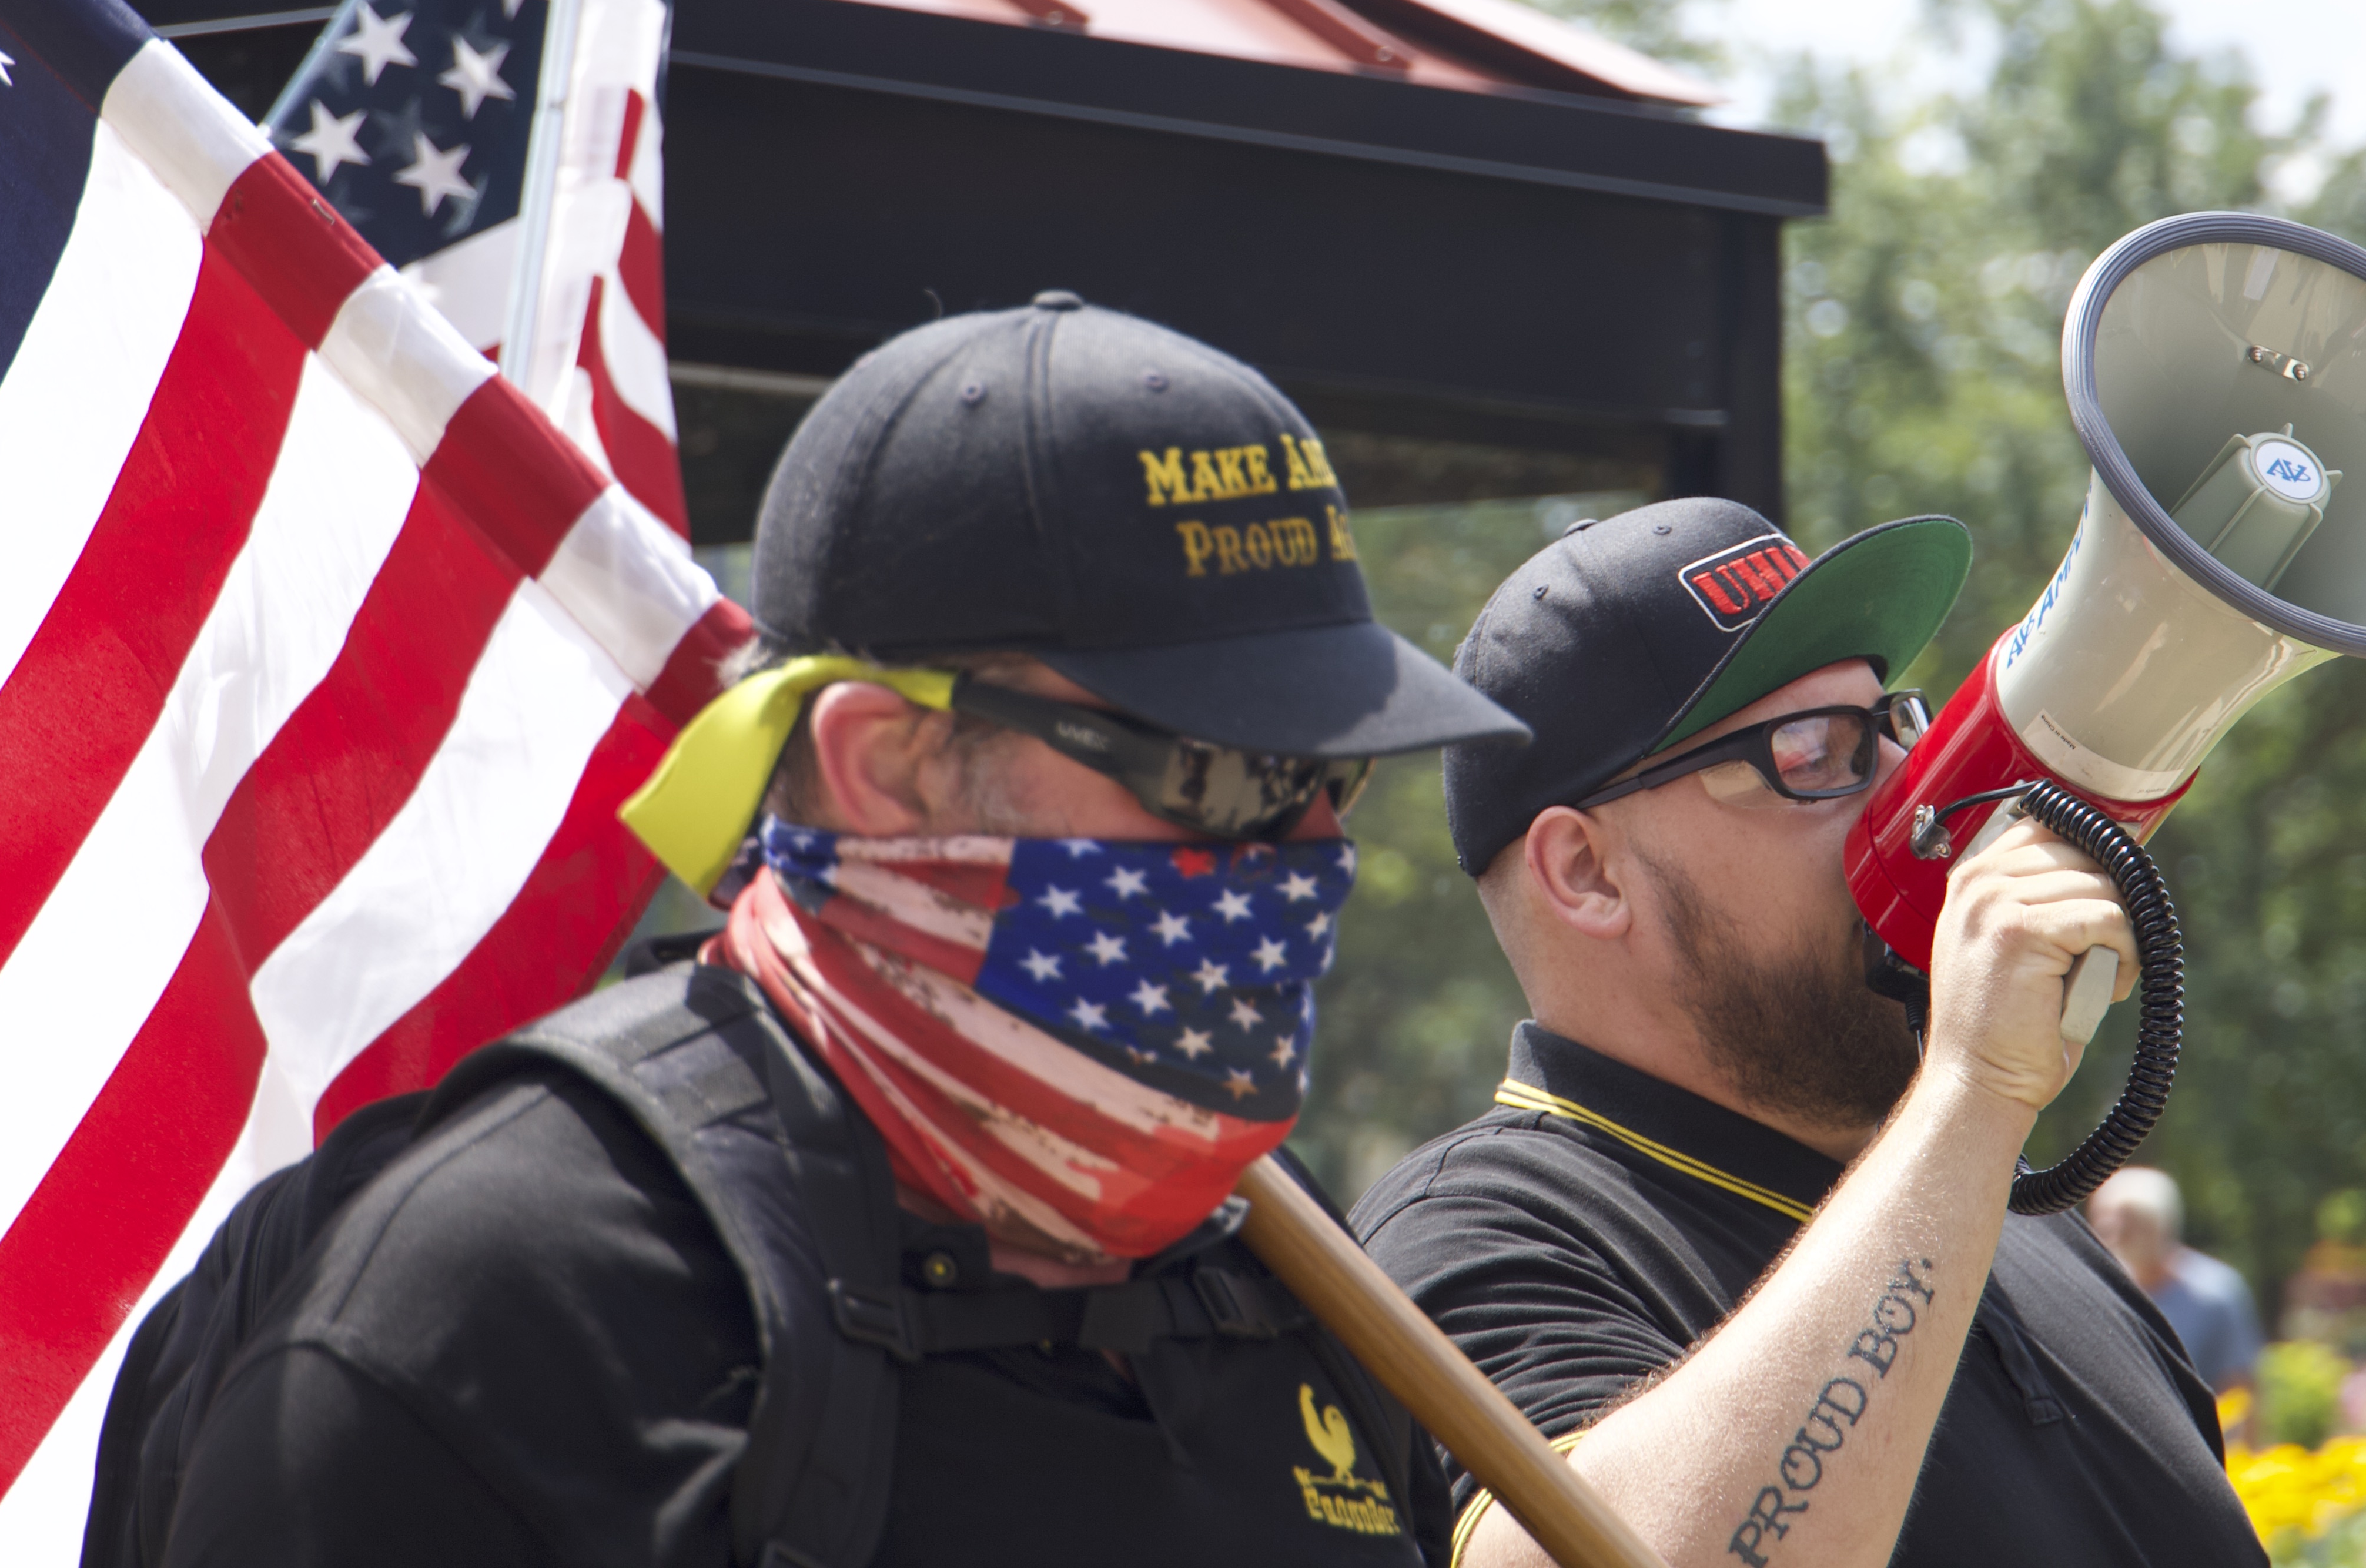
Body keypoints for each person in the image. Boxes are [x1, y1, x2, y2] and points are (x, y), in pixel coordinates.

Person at [91, 294, 1534, 1567]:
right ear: (884, 763)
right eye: (1230, 773)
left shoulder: (1294, 1286)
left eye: (1333, 776)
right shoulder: (505, 1304)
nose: (1313, 848)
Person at [1351, 499, 2264, 1568]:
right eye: (1815, 750)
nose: (1914, 793)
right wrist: (1970, 1099)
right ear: (1588, 873)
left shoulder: (2003, 1206)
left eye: (1892, 729)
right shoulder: (1477, 1231)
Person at [2088, 1167, 2263, 1414]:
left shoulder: (2216, 1293)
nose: (2110, 1232)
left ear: (2161, 1225)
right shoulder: (2093, 1290)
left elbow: (2239, 1390)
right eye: (2101, 1219)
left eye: (2127, 1222)